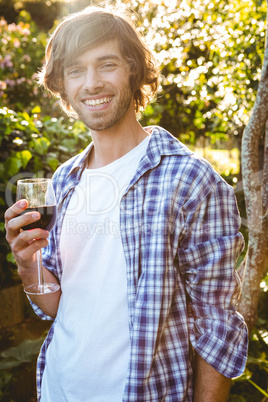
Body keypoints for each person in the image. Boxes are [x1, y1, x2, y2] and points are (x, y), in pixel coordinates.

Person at [4, 5, 248, 402]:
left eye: (107, 65)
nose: (91, 83)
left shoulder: (190, 180)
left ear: (133, 70)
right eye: (76, 70)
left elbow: (217, 325)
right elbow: (54, 306)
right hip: (57, 390)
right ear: (62, 86)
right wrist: (28, 264)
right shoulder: (64, 181)